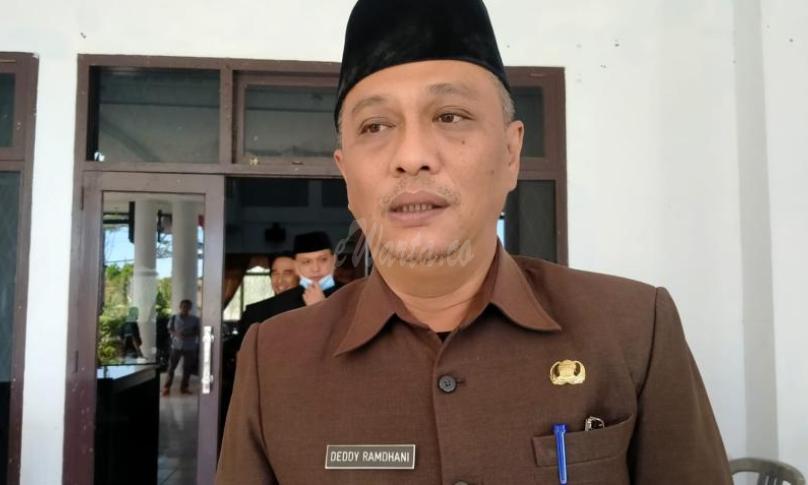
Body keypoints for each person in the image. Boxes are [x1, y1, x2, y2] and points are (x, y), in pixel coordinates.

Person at [217, 1, 733, 483]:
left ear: (511, 153)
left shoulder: (633, 329)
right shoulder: (275, 359)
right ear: (346, 172)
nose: (412, 156)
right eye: (375, 125)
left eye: (450, 116)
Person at [237, 231, 342, 338]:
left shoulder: (351, 296)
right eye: (306, 262)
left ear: (333, 261)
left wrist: (322, 310)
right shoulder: (261, 312)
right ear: (297, 266)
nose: (315, 268)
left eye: (323, 260)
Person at [162, 299, 200, 396]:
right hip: (176, 346)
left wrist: (190, 334)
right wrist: (177, 334)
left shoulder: (195, 319)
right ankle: (166, 387)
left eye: (187, 307)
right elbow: (170, 329)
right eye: (183, 306)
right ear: (180, 307)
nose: (185, 308)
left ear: (190, 308)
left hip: (190, 347)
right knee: (171, 367)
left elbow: (198, 331)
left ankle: (184, 388)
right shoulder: (174, 318)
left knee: (187, 369)